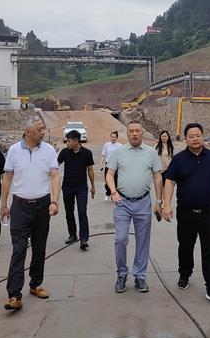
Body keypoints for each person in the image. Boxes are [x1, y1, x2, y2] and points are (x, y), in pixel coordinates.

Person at [162, 123, 210, 305]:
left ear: (203, 137)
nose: (195, 139)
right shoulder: (179, 160)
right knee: (185, 247)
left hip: (209, 213)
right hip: (186, 213)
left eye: (198, 135)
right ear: (185, 139)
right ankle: (184, 273)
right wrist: (166, 205)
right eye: (191, 136)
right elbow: (170, 181)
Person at [1, 116, 60, 311]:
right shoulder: (14, 150)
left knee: (39, 247)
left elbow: (55, 176)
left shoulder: (49, 150)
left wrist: (54, 201)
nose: (43, 132)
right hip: (20, 206)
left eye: (43, 128)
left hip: (42, 205)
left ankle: (35, 284)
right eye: (39, 129)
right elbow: (7, 179)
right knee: (19, 249)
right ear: (28, 132)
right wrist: (3, 204)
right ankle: (14, 295)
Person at [106, 120, 162, 294]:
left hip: (143, 202)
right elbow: (110, 173)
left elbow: (157, 176)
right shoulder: (118, 152)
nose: (135, 134)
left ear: (142, 132)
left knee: (143, 240)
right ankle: (122, 274)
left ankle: (140, 276)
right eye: (131, 131)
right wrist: (113, 192)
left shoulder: (151, 152)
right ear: (127, 133)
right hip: (122, 202)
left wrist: (159, 202)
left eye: (137, 130)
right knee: (121, 239)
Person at [57, 129, 95, 250]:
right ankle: (72, 235)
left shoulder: (87, 153)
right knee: (69, 212)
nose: (67, 143)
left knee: (82, 211)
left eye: (69, 141)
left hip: (81, 187)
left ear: (76, 141)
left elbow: (90, 170)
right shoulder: (64, 152)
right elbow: (55, 165)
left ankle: (84, 238)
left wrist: (93, 186)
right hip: (67, 186)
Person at [100, 131, 121, 201]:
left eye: (114, 137)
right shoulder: (106, 145)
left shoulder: (120, 146)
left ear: (117, 138)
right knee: (107, 180)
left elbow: (122, 157)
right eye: (112, 137)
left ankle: (113, 195)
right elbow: (103, 155)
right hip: (108, 164)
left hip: (116, 165)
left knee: (115, 180)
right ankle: (108, 193)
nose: (113, 138)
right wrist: (101, 164)